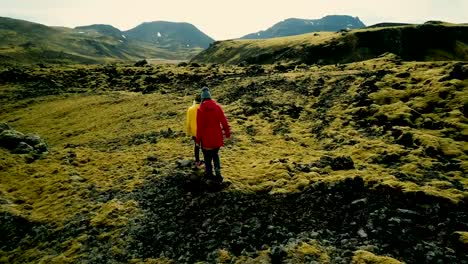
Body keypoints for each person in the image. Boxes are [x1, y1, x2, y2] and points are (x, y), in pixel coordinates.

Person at [196, 87, 231, 183]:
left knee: (207, 158)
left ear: (202, 98)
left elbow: (199, 127)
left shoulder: (200, 110)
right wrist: (227, 134)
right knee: (215, 155)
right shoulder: (218, 108)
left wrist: (197, 141)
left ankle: (209, 175)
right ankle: (218, 171)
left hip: (206, 140)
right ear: (210, 97)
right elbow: (224, 122)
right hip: (217, 139)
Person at [186, 94, 201, 167]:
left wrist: (188, 132)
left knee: (197, 146)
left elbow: (188, 122)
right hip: (203, 131)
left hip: (195, 132)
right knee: (205, 147)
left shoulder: (190, 109)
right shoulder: (204, 108)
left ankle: (197, 161)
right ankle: (207, 163)